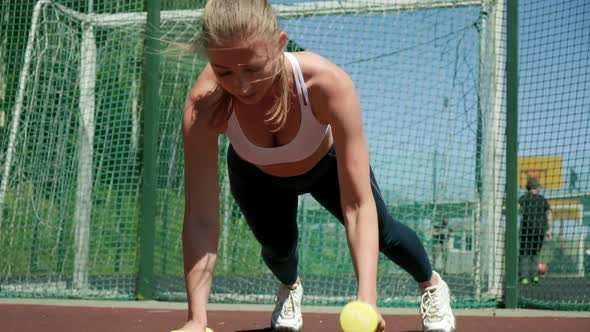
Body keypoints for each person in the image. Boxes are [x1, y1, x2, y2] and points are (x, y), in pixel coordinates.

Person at [177, 1, 455, 331]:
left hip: (326, 167)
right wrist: (196, 320)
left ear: (280, 44)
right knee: (277, 250)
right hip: (256, 175)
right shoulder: (203, 104)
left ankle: (431, 284)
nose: (242, 85)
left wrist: (367, 299)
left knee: (384, 233)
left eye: (253, 68)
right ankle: (290, 288)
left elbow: (356, 204)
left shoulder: (326, 84)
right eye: (224, 72)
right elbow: (201, 219)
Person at [518, 177, 553, 284]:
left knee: (524, 253)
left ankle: (524, 277)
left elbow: (517, 208)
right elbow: (549, 213)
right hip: (540, 230)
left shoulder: (523, 198)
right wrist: (549, 230)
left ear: (527, 187)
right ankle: (535, 276)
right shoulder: (542, 199)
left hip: (527, 229)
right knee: (535, 253)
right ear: (537, 187)